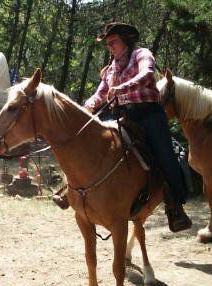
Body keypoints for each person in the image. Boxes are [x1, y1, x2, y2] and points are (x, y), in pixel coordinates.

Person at [81, 23, 191, 232]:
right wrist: (88, 104)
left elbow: (147, 76)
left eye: (113, 42)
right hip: (123, 115)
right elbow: (101, 92)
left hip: (149, 113)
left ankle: (175, 206)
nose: (110, 46)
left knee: (165, 155)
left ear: (126, 40)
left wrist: (121, 88)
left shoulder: (142, 54)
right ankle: (76, 190)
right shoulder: (111, 67)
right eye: (108, 43)